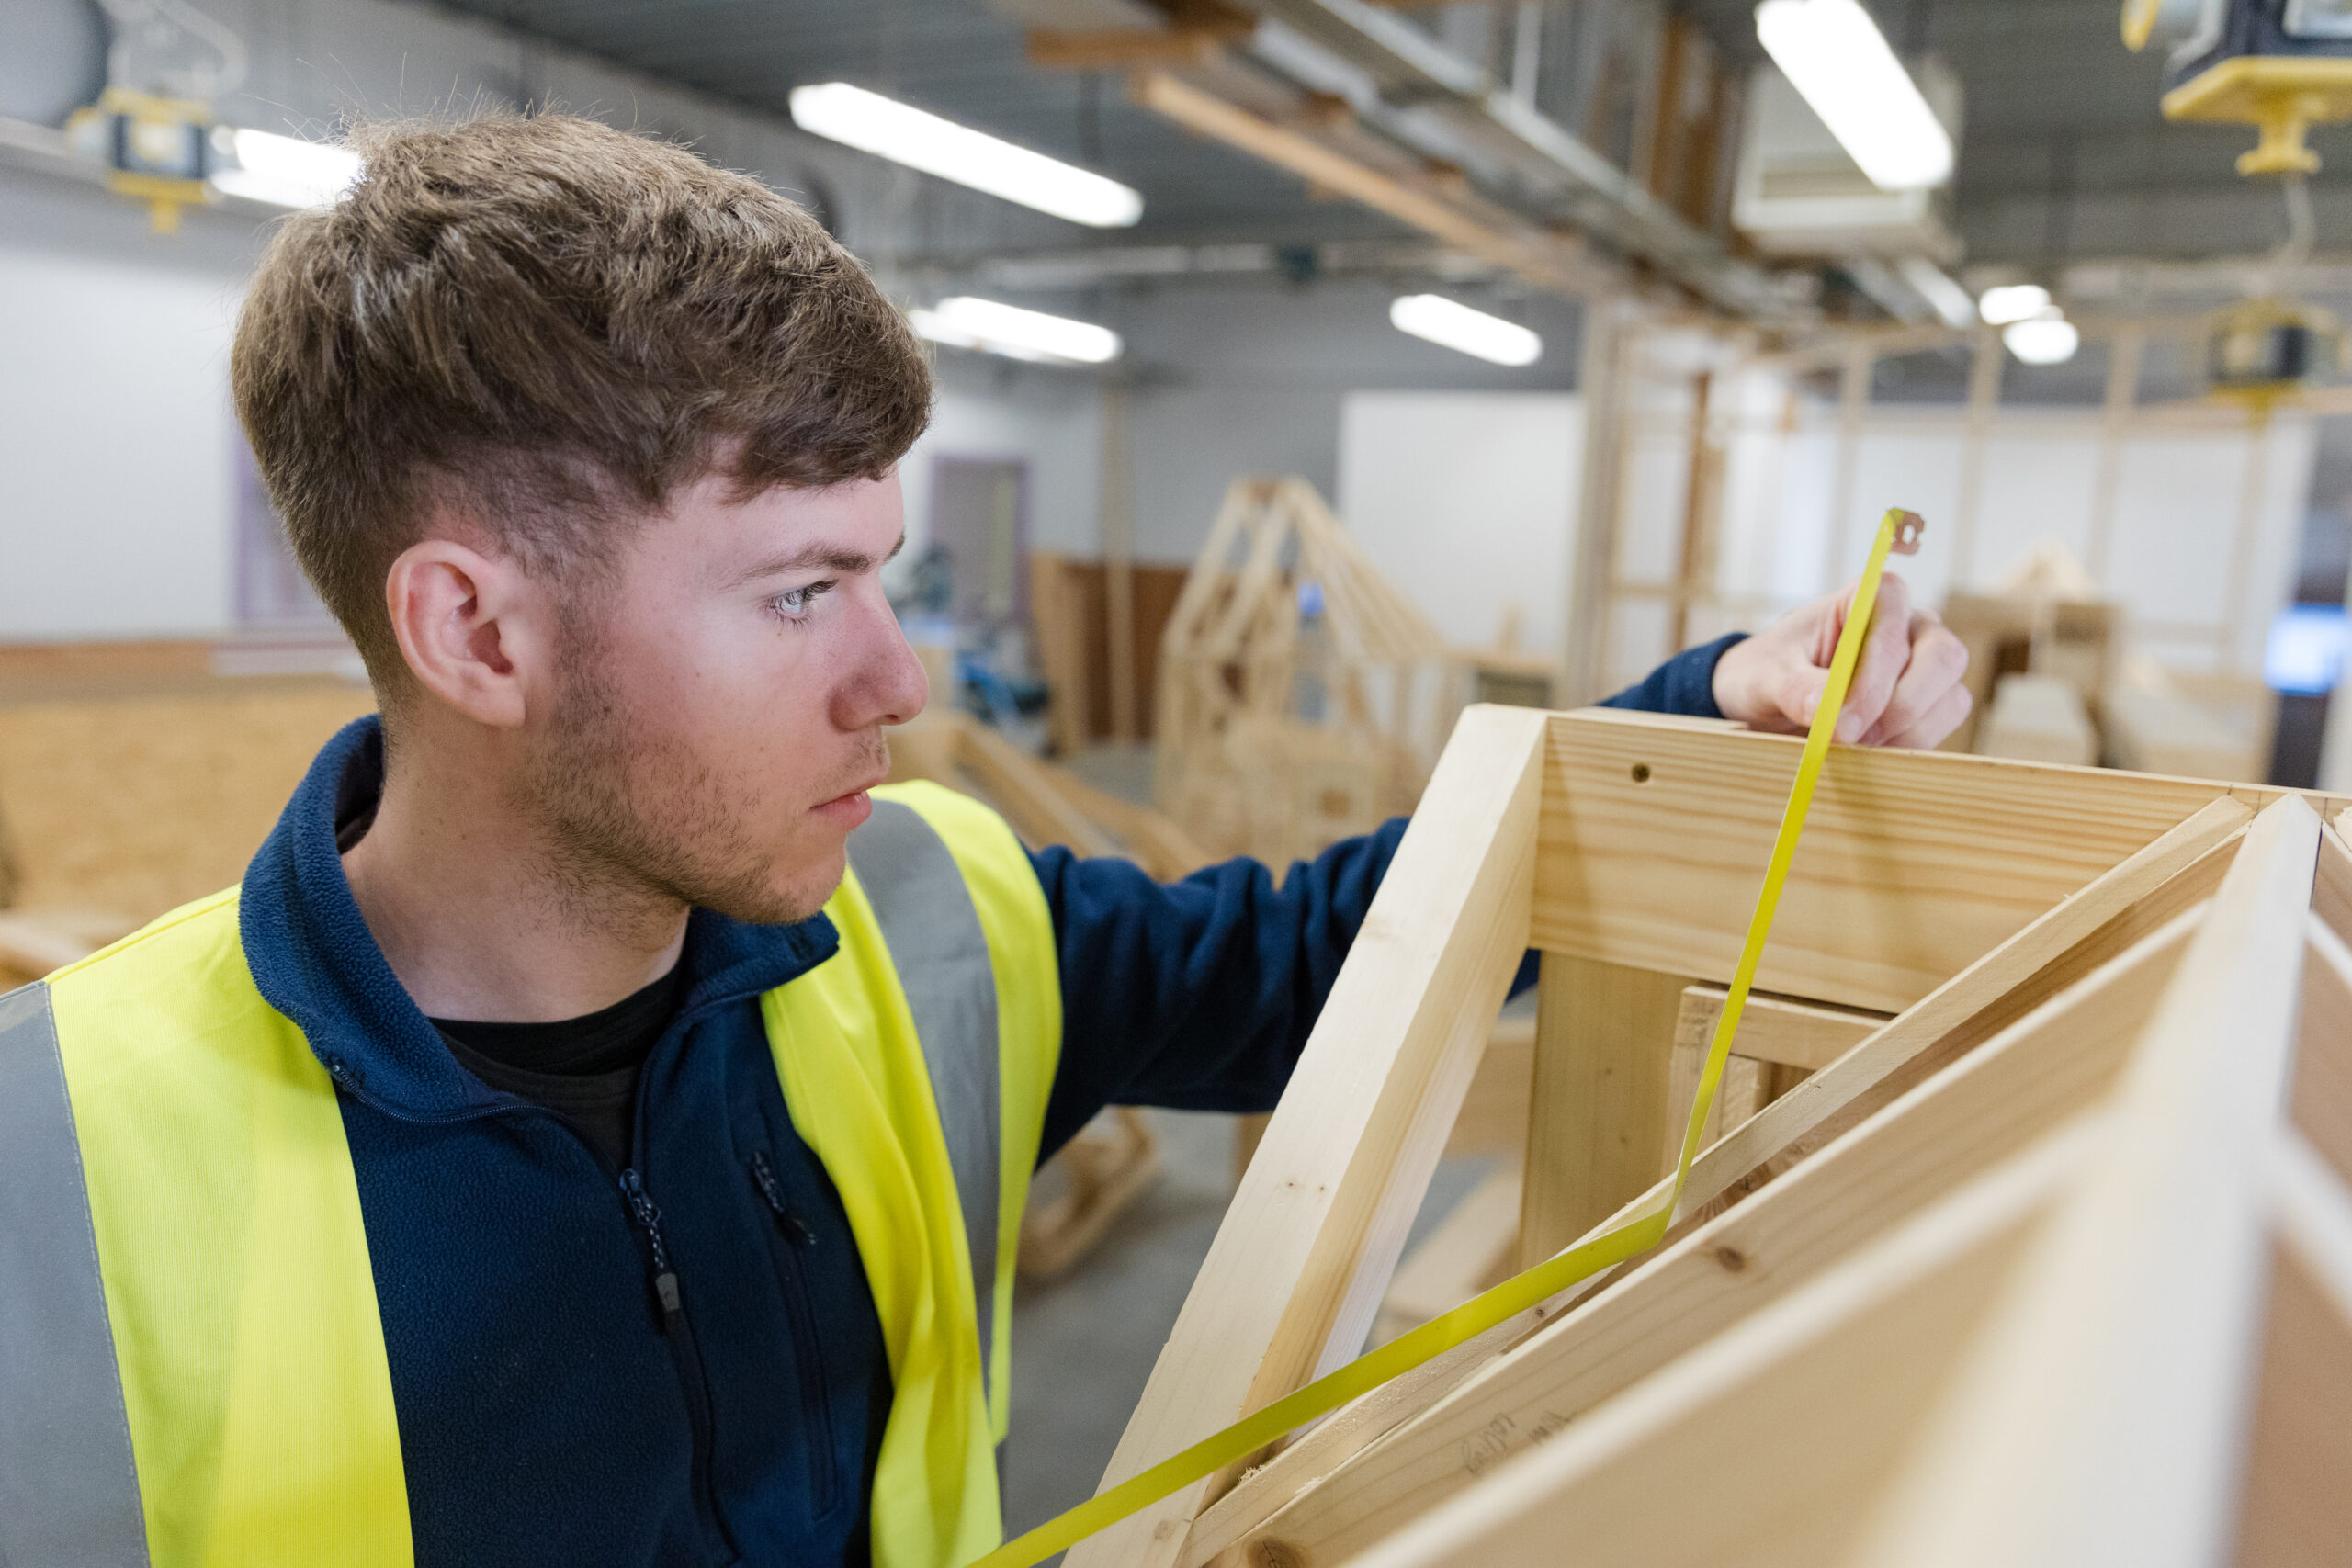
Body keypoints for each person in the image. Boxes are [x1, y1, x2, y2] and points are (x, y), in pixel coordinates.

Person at [0, 115, 1969, 1568]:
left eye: (891, 572)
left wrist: (1714, 702)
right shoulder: (46, 1176)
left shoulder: (924, 917)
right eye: (795, 592)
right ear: (479, 631)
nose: (892, 675)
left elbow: (1340, 953)